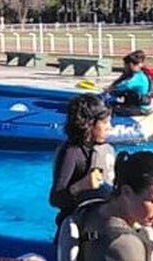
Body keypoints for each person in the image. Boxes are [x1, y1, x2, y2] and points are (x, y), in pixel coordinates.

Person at [49, 94, 116, 226]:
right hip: (76, 220)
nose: (110, 127)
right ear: (89, 124)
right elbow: (55, 199)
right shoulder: (71, 152)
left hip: (101, 217)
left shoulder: (105, 149)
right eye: (105, 122)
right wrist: (80, 186)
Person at [105, 50, 153, 116]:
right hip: (137, 105)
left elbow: (122, 87)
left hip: (140, 109)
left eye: (125, 66)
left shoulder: (135, 79)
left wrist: (109, 90)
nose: (124, 68)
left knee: (107, 108)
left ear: (131, 65)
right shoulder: (139, 74)